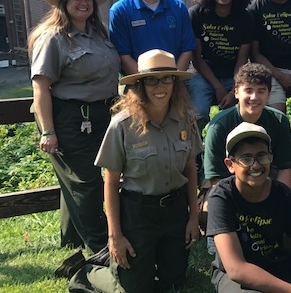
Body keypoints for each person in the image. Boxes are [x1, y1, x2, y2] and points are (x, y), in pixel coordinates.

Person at [70, 49, 202, 292]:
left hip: (174, 211)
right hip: (138, 213)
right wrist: (115, 236)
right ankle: (90, 272)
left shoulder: (186, 119)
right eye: (151, 79)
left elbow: (191, 168)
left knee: (174, 283)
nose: (160, 86)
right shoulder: (123, 124)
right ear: (140, 84)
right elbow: (109, 183)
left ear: (175, 82)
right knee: (133, 289)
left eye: (167, 78)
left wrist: (193, 217)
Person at [28, 0, 119, 263]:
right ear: (64, 3)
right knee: (86, 183)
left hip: (102, 116)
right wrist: (47, 131)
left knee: (78, 181)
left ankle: (71, 239)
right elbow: (40, 87)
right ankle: (101, 248)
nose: (83, 2)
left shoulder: (99, 34)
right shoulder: (52, 37)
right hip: (70, 118)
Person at [207, 122, 291, 293]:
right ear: (230, 165)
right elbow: (235, 268)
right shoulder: (221, 197)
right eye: (246, 158)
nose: (255, 165)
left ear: (271, 157)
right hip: (237, 278)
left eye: (262, 156)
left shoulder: (283, 195)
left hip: (278, 267)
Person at [202, 63, 291, 223]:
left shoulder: (279, 121)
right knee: (209, 210)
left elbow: (286, 167)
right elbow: (215, 179)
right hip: (229, 181)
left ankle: (282, 228)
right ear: (236, 92)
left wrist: (275, 201)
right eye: (249, 90)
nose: (254, 97)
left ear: (269, 94)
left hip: (266, 176)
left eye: (261, 91)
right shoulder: (218, 125)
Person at [187, 0, 253, 132]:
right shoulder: (196, 15)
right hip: (203, 74)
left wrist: (233, 91)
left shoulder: (245, 18)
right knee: (198, 114)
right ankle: (194, 154)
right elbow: (197, 58)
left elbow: (242, 59)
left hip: (234, 75)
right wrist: (217, 87)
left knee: (245, 113)